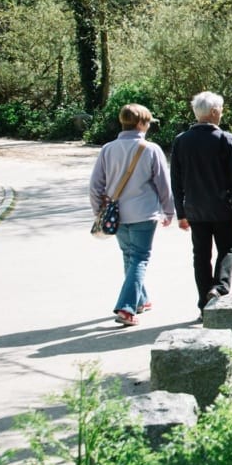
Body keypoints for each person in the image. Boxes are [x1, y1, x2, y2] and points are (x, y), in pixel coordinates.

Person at [89, 103, 175, 327]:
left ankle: (141, 300)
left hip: (115, 214)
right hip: (144, 213)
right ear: (140, 123)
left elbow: (95, 185)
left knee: (129, 256)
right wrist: (169, 210)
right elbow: (163, 185)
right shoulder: (151, 149)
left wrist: (98, 210)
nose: (148, 126)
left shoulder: (108, 149)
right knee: (139, 258)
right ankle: (126, 308)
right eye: (147, 122)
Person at [171, 91, 232, 313]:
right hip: (224, 208)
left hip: (195, 209)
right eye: (222, 110)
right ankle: (220, 287)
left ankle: (204, 305)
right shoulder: (227, 139)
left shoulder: (181, 141)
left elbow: (175, 181)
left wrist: (181, 212)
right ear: (215, 112)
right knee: (229, 247)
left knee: (201, 255)